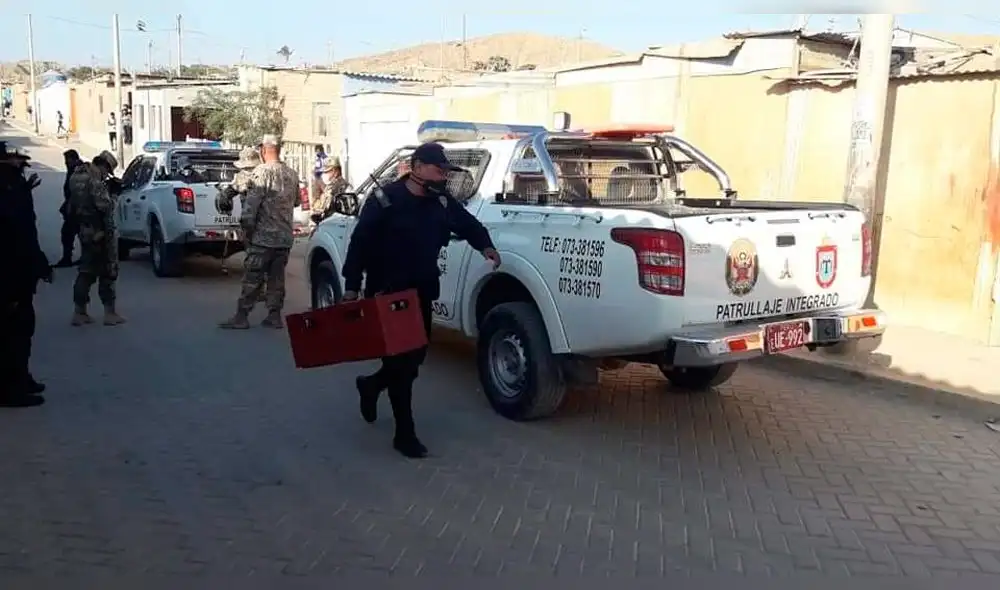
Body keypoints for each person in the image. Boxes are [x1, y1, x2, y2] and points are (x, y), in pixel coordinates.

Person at [342, 142, 501, 459]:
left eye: (445, 172)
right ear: (416, 167)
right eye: (438, 170)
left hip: (423, 290)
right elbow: (360, 244)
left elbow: (468, 224)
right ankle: (405, 433)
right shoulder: (385, 200)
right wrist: (351, 286)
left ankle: (371, 386)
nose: (443, 177)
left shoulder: (440, 201)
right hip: (389, 292)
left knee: (414, 360)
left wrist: (485, 246)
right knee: (401, 363)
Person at [218, 135, 299, 330]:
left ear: (263, 150)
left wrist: (248, 233)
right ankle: (274, 315)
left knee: (252, 278)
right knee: (277, 279)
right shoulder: (292, 173)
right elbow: (295, 202)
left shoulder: (261, 173)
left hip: (263, 239)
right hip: (284, 238)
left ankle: (241, 316)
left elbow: (250, 211)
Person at [0, 142, 53, 408]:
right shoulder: (6, 195)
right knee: (12, 335)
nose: (21, 166)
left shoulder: (15, 191)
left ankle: (21, 379)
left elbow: (28, 236)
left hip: (21, 276)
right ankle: (11, 389)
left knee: (23, 329)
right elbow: (13, 241)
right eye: (15, 163)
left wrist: (40, 264)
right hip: (10, 279)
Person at [69, 150, 126, 327]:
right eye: (107, 172)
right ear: (104, 166)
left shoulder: (77, 176)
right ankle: (110, 313)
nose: (105, 176)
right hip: (100, 231)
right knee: (108, 271)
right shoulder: (95, 180)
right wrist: (114, 194)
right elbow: (105, 206)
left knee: (86, 271)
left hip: (85, 230)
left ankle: (79, 312)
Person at [53, 149, 84, 268]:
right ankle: (73, 258)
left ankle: (68, 258)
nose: (66, 163)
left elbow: (77, 191)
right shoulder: (73, 170)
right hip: (74, 207)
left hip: (77, 208)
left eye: (68, 160)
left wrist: (71, 204)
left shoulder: (78, 171)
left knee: (69, 233)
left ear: (74, 159)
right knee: (75, 233)